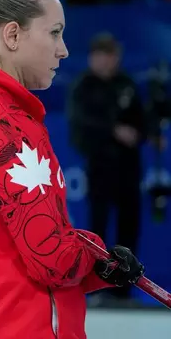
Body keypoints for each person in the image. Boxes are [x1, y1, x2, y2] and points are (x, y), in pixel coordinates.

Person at [0, 0, 145, 339]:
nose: (64, 49)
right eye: (55, 32)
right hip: (20, 325)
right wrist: (97, 257)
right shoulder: (4, 125)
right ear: (12, 35)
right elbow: (54, 261)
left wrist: (100, 266)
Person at [67, 33, 146, 306]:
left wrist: (141, 133)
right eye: (102, 55)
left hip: (128, 169)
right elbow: (80, 125)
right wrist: (113, 131)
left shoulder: (127, 85)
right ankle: (95, 290)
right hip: (100, 168)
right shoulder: (83, 87)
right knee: (97, 231)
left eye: (111, 55)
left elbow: (141, 119)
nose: (107, 61)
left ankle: (123, 291)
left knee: (129, 227)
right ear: (93, 58)